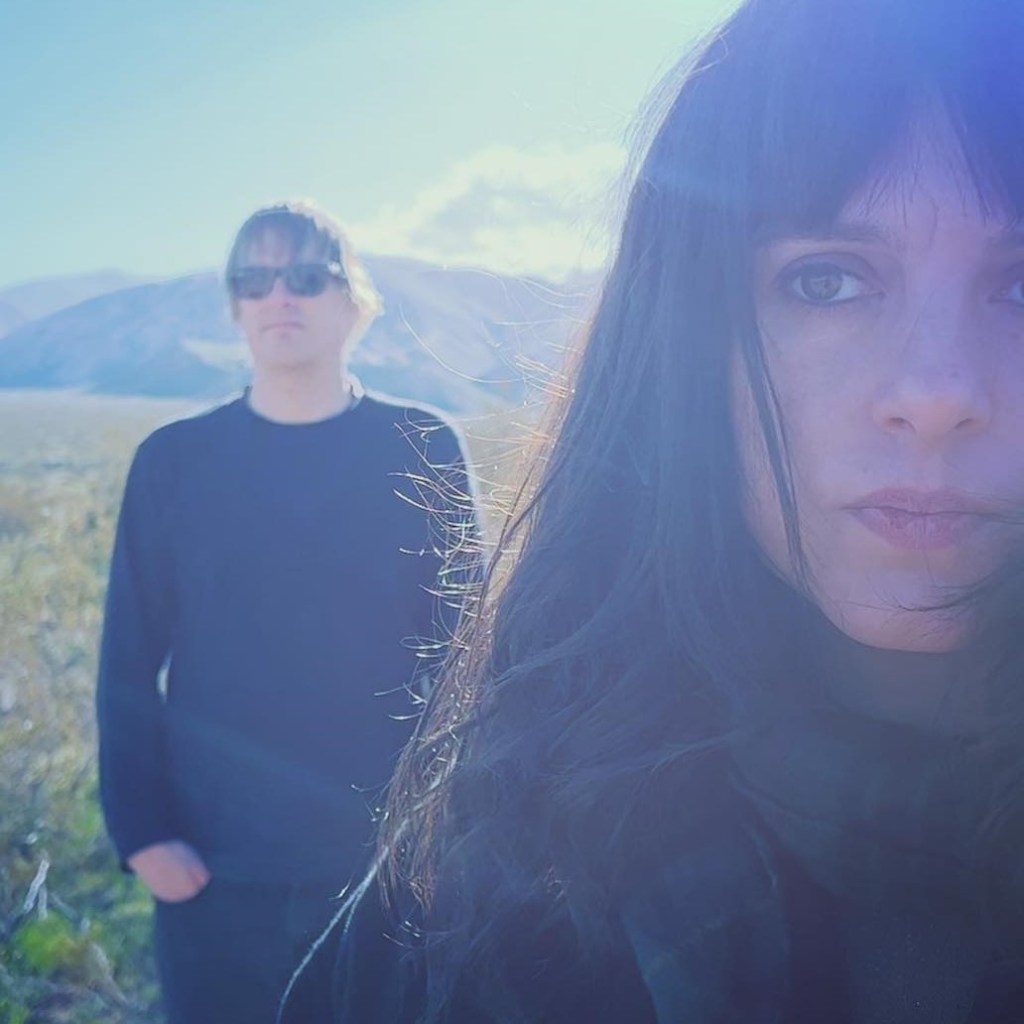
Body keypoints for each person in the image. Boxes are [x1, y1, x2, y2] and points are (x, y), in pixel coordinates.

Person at [280, 0, 1024, 1021]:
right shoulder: (478, 886)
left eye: (1021, 287)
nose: (936, 393)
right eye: (826, 281)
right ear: (684, 349)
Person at [96, 200, 478, 1024]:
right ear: (236, 306)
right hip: (217, 869)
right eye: (255, 279)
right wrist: (141, 833)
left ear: (354, 302)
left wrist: (454, 830)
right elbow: (127, 660)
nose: (280, 296)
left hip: (385, 869)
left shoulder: (422, 447)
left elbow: (467, 656)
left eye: (307, 276)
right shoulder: (173, 462)